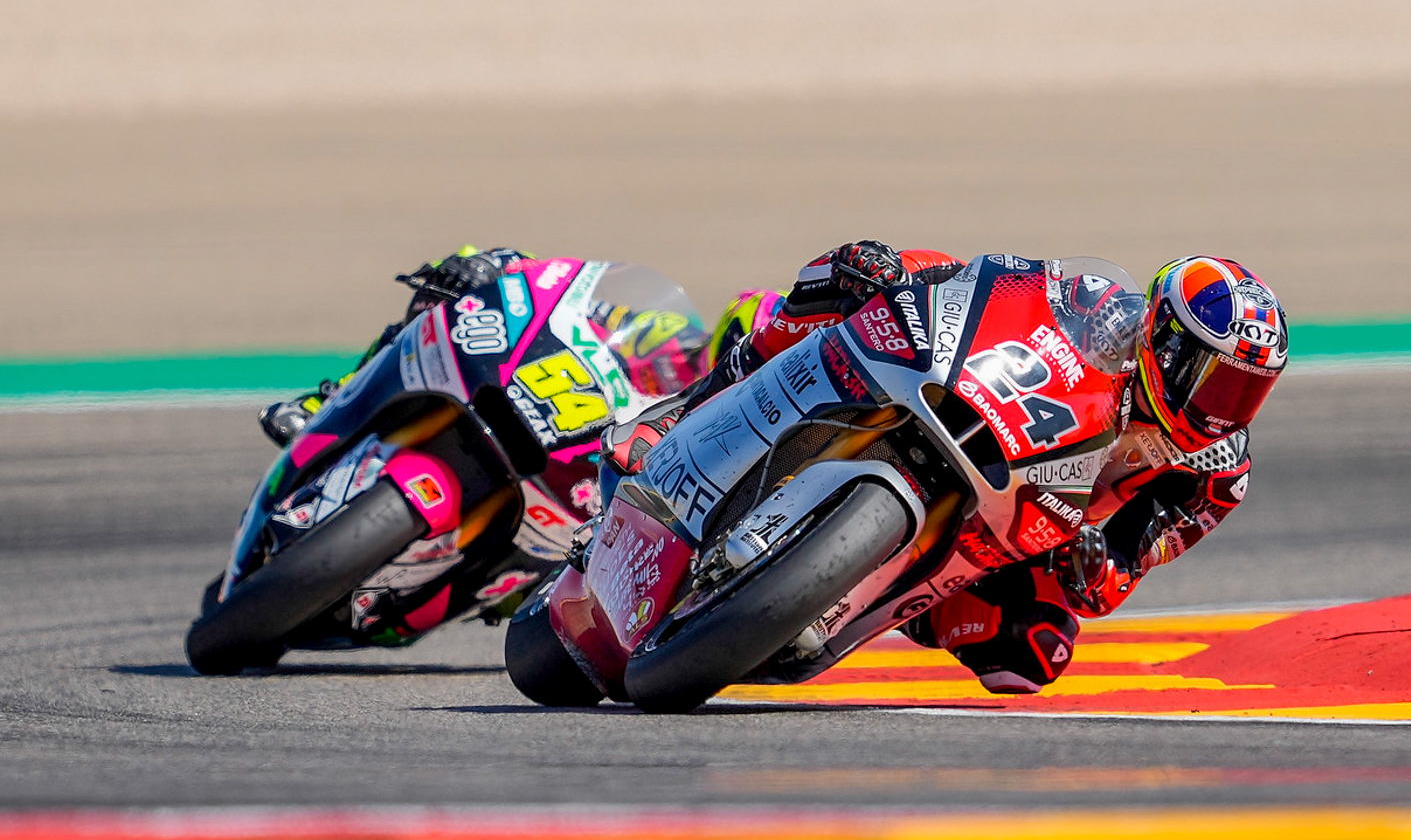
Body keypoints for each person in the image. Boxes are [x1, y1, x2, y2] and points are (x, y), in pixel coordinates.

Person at [607, 241, 1288, 695]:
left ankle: (849, 594)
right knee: (897, 267)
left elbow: (1119, 573)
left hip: (1028, 531)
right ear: (1163, 340)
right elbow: (1006, 286)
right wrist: (903, 279)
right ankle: (684, 410)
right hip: (986, 414)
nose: (1223, 408)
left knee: (1035, 651)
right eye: (1214, 379)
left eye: (1245, 392)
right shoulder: (1103, 309)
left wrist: (1093, 562)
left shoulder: (1214, 474)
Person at [257, 246, 721, 447]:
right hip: (504, 397)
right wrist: (489, 267)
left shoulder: (710, 418)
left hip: (575, 475)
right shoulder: (653, 331)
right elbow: (556, 287)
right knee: (440, 305)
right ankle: (331, 406)